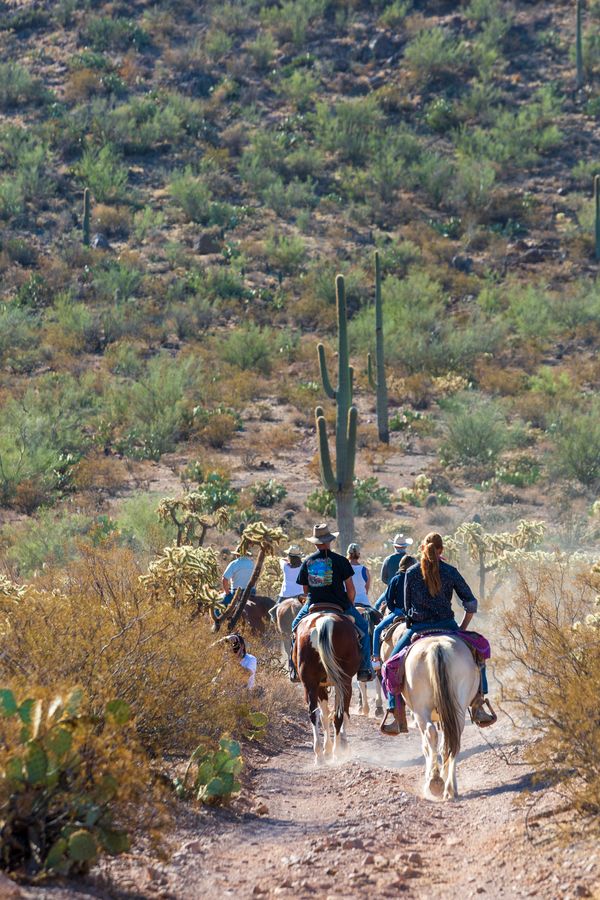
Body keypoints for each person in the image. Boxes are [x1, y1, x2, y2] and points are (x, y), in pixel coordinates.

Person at [384, 532, 494, 727]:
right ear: (441, 550)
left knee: (390, 665)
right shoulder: (450, 571)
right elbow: (471, 603)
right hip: (448, 626)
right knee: (479, 653)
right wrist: (462, 628)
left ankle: (396, 713)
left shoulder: (411, 572)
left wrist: (414, 621)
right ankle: (478, 705)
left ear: (422, 549)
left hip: (418, 628)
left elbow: (408, 607)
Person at [289, 523, 374, 683]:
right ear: (330, 541)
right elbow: (351, 589)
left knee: (294, 627)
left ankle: (294, 668)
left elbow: (306, 591)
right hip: (340, 604)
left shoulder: (308, 561)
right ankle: (364, 668)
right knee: (362, 626)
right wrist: (348, 605)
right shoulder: (341, 561)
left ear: (315, 543)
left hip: (314, 603)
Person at [371, 554, 417, 668]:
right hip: (413, 612)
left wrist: (394, 610)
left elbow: (389, 599)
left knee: (377, 630)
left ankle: (376, 658)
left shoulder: (395, 579)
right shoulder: (415, 579)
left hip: (398, 612)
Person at [375, 533, 413, 609]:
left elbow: (383, 578)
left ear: (394, 546)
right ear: (406, 546)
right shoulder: (411, 560)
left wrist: (391, 584)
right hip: (410, 591)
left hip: (391, 590)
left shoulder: (388, 559)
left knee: (377, 606)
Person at [268, 544, 304, 622]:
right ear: (299, 557)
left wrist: (288, 558)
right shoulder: (302, 566)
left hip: (286, 594)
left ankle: (274, 621)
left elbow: (282, 559)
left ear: (289, 556)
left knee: (274, 612)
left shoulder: (285, 566)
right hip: (300, 594)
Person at [215, 548, 254, 619]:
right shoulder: (252, 563)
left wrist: (227, 593)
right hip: (251, 592)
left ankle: (218, 625)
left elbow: (225, 579)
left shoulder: (234, 563)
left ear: (237, 555)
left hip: (237, 592)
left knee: (217, 606)